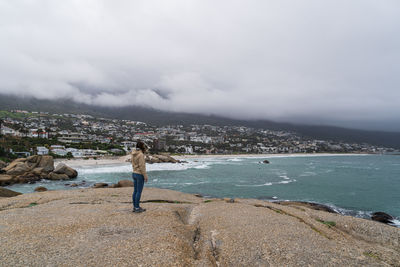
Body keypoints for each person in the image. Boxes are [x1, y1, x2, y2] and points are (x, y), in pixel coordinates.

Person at [131, 141, 148, 213]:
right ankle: (137, 208)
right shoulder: (140, 155)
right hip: (139, 174)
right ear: (142, 147)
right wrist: (145, 176)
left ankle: (135, 207)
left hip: (134, 173)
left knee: (135, 191)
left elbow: (132, 163)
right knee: (138, 192)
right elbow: (142, 166)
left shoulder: (133, 153)